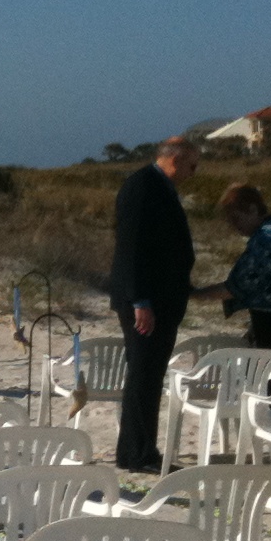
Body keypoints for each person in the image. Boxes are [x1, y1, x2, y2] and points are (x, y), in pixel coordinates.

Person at [109, 137, 198, 472]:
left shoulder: (160, 187)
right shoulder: (142, 186)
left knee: (150, 374)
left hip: (163, 298)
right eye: (192, 164)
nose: (194, 171)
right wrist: (140, 300)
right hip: (146, 301)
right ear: (174, 159)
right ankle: (136, 452)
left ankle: (143, 448)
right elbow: (132, 246)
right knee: (143, 374)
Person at [191, 183, 271, 367]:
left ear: (252, 209)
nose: (234, 226)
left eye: (236, 218)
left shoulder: (264, 239)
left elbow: (236, 287)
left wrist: (194, 294)